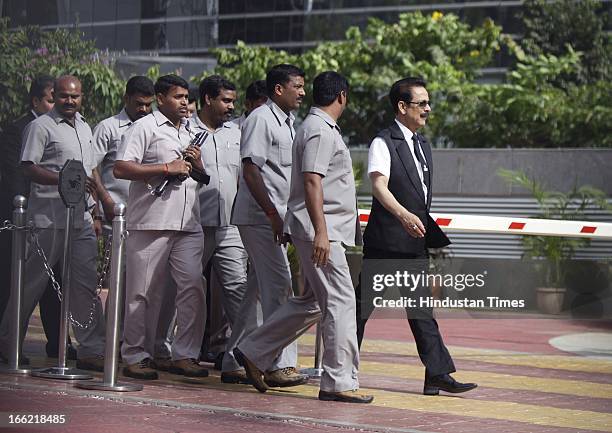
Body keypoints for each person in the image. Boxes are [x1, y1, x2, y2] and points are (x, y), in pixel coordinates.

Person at [235, 71, 374, 404]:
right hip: (320, 231)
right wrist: (322, 233)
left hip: (319, 229)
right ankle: (338, 381)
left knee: (313, 301)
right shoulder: (318, 130)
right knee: (341, 302)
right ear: (342, 96)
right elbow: (312, 181)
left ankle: (254, 350)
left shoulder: (310, 127)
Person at [356, 77, 477, 396]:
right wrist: (404, 215)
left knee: (422, 310)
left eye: (428, 102)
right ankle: (342, 369)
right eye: (421, 103)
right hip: (385, 243)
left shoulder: (422, 144)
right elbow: (379, 187)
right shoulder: (383, 142)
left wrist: (419, 223)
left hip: (414, 243)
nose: (428, 109)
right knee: (360, 309)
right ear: (402, 106)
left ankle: (436, 374)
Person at [0, 75, 106, 371]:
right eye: (63, 96)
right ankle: (8, 344)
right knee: (31, 284)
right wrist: (60, 179)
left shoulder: (85, 126)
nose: (69, 101)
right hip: (47, 218)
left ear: (81, 97)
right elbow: (28, 166)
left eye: (75, 96)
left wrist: (96, 210)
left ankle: (92, 349)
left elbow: (89, 173)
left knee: (85, 284)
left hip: (81, 218)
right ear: (55, 96)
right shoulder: (40, 126)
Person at [114, 74, 209, 380]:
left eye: (186, 97)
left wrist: (197, 166)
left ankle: (184, 354)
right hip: (151, 221)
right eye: (179, 97)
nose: (185, 102)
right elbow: (121, 167)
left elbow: (199, 177)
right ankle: (136, 354)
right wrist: (166, 167)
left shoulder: (192, 131)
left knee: (193, 286)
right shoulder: (144, 127)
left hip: (188, 222)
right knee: (142, 293)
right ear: (160, 98)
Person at [230, 64, 308, 388]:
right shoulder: (261, 119)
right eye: (298, 86)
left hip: (273, 218)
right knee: (280, 287)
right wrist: (274, 215)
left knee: (256, 291)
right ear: (279, 89)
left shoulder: (289, 124)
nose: (303, 93)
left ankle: (232, 357)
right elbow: (251, 171)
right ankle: (278, 364)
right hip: (260, 218)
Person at [191, 75, 252, 383]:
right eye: (225, 101)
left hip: (230, 226)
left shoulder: (237, 134)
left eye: (232, 100)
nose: (231, 106)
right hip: (192, 225)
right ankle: (175, 354)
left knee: (237, 293)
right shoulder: (186, 131)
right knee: (186, 292)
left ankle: (235, 361)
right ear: (207, 100)